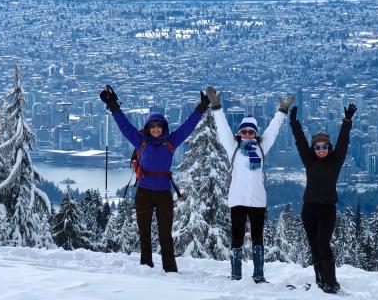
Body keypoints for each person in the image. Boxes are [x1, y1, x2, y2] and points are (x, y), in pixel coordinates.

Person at [99, 84, 210, 273]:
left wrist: (201, 107)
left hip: (164, 193)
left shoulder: (171, 141)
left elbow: (188, 127)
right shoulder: (140, 141)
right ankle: (146, 266)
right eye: (152, 126)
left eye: (159, 126)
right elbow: (124, 125)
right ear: (148, 128)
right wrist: (114, 106)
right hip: (144, 192)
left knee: (165, 234)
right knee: (144, 232)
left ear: (163, 127)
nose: (156, 129)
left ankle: (170, 268)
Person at [206, 86, 295, 283]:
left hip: (258, 200)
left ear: (255, 134)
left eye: (251, 131)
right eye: (244, 131)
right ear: (240, 133)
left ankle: (259, 274)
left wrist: (281, 112)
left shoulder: (261, 148)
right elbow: (223, 130)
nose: (247, 134)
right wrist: (217, 108)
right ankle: (236, 273)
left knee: (257, 238)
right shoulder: (234, 148)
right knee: (237, 237)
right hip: (237, 199)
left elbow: (272, 131)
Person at [289, 102, 357, 294]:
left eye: (324, 147)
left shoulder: (335, 162)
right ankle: (320, 279)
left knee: (323, 243)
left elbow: (343, 143)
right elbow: (300, 142)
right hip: (308, 208)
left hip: (327, 208)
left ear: (329, 147)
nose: (321, 150)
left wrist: (347, 121)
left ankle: (331, 281)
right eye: (317, 147)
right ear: (314, 147)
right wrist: (294, 123)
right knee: (313, 244)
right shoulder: (308, 159)